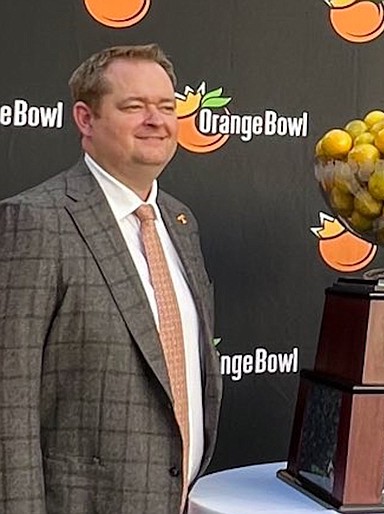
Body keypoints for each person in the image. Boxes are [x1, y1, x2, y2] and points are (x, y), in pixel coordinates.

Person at [0, 44, 222, 513]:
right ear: (85, 119)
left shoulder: (180, 222)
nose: (156, 120)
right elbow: (9, 397)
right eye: (134, 106)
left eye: (166, 106)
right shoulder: (37, 220)